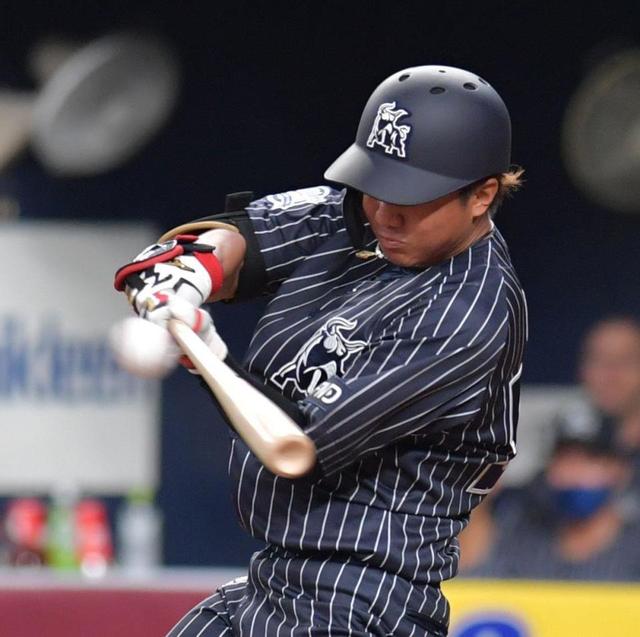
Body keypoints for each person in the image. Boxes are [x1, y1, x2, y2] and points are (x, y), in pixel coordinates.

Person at [115, 65, 527, 636]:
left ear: (482, 195)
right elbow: (243, 237)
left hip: (363, 596)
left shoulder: (467, 312)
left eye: (410, 197)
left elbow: (294, 445)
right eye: (375, 187)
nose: (383, 211)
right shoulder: (370, 216)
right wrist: (189, 276)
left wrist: (203, 350)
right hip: (278, 577)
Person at [462, 423, 640, 581]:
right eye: (564, 461)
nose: (573, 475)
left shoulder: (634, 547)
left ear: (620, 470)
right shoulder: (524, 537)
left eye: (589, 462)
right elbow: (477, 583)